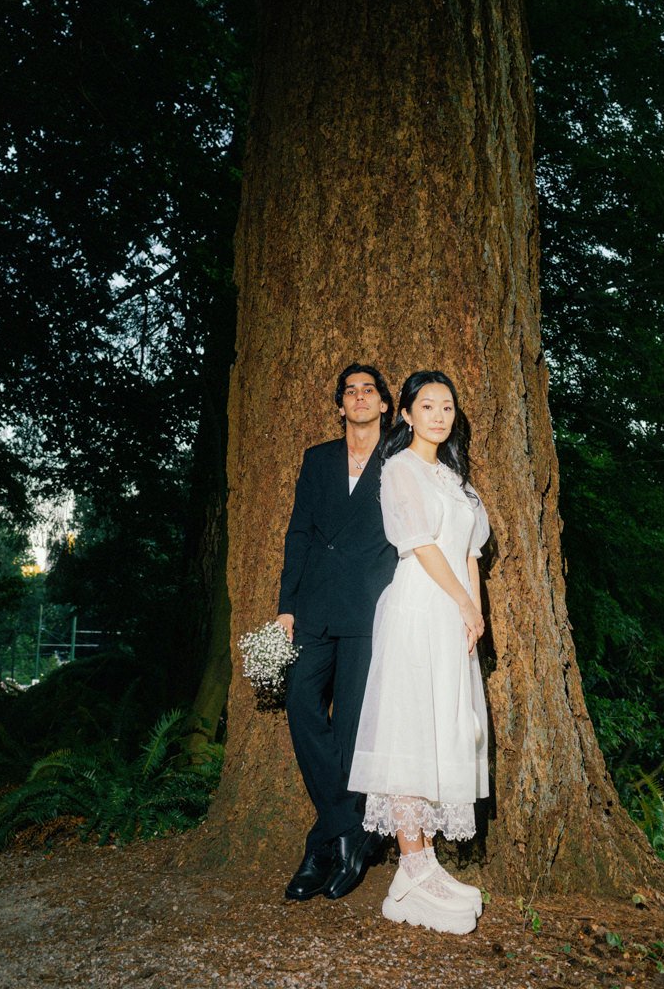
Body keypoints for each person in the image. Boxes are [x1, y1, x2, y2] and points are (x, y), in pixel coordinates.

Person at [348, 370, 490, 934]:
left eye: (447, 406)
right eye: (426, 405)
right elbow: (422, 544)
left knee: (441, 728)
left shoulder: (457, 480)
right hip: (418, 606)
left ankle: (426, 864)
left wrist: (475, 613)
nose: (438, 414)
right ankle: (408, 870)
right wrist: (461, 601)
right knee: (409, 726)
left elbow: (470, 553)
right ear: (404, 414)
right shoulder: (401, 469)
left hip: (453, 613)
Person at [277, 363, 398, 902]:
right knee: (300, 702)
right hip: (314, 604)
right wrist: (286, 607)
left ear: (384, 404)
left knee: (351, 726)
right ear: (340, 406)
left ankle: (321, 847)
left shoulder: (398, 460)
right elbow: (298, 531)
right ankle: (348, 830)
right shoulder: (318, 458)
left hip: (371, 608)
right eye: (350, 392)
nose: (359, 397)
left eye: (368, 390)